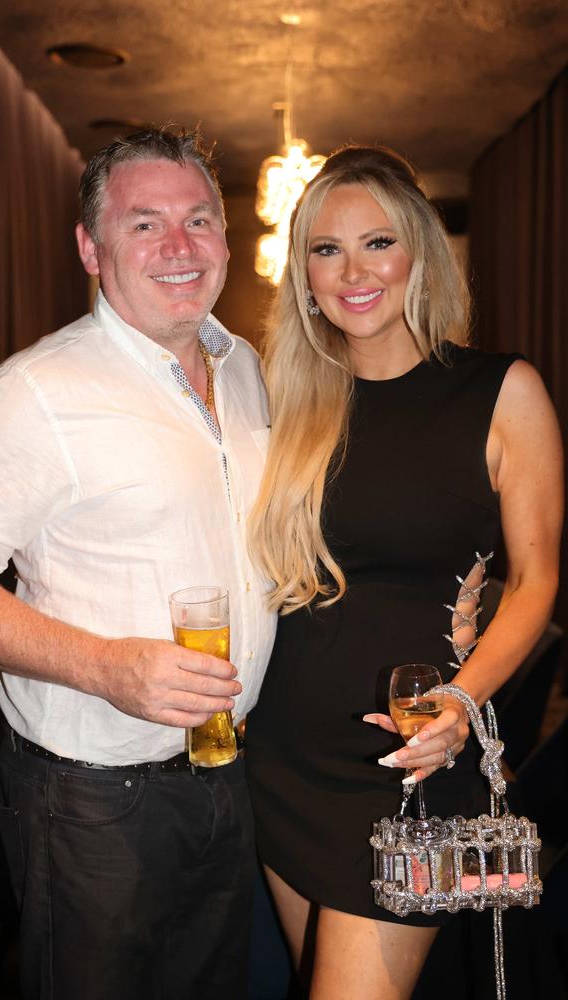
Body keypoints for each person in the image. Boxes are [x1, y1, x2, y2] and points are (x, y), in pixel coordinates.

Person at [0, 126, 275, 1000]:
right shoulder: (37, 394)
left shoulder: (248, 370)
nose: (181, 247)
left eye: (199, 219)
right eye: (144, 224)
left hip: (227, 771)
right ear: (91, 246)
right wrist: (107, 665)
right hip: (93, 801)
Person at [244, 144, 563, 999]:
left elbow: (536, 583)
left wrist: (462, 700)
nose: (353, 271)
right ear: (302, 273)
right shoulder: (287, 403)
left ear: (419, 250)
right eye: (324, 248)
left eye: (377, 243)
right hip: (284, 758)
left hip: (416, 762)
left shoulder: (502, 392)